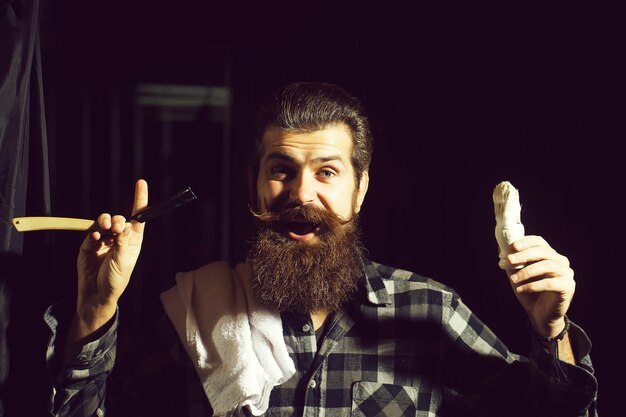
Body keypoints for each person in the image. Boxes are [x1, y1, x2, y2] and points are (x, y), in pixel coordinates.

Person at [45, 82, 598, 416]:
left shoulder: (429, 311)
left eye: (326, 172)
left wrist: (552, 333)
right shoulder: (191, 312)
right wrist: (95, 311)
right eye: (281, 170)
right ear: (254, 184)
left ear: (359, 191)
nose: (300, 195)